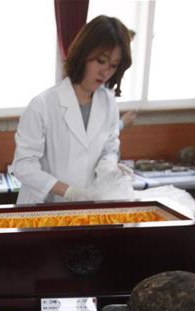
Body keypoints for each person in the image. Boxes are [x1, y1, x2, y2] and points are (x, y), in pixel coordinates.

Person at [12, 15, 133, 204]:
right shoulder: (43, 105)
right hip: (45, 208)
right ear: (83, 53)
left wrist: (109, 167)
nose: (105, 72)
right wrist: (69, 191)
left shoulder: (108, 102)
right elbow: (23, 166)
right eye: (101, 61)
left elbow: (109, 148)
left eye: (113, 65)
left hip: (89, 206)